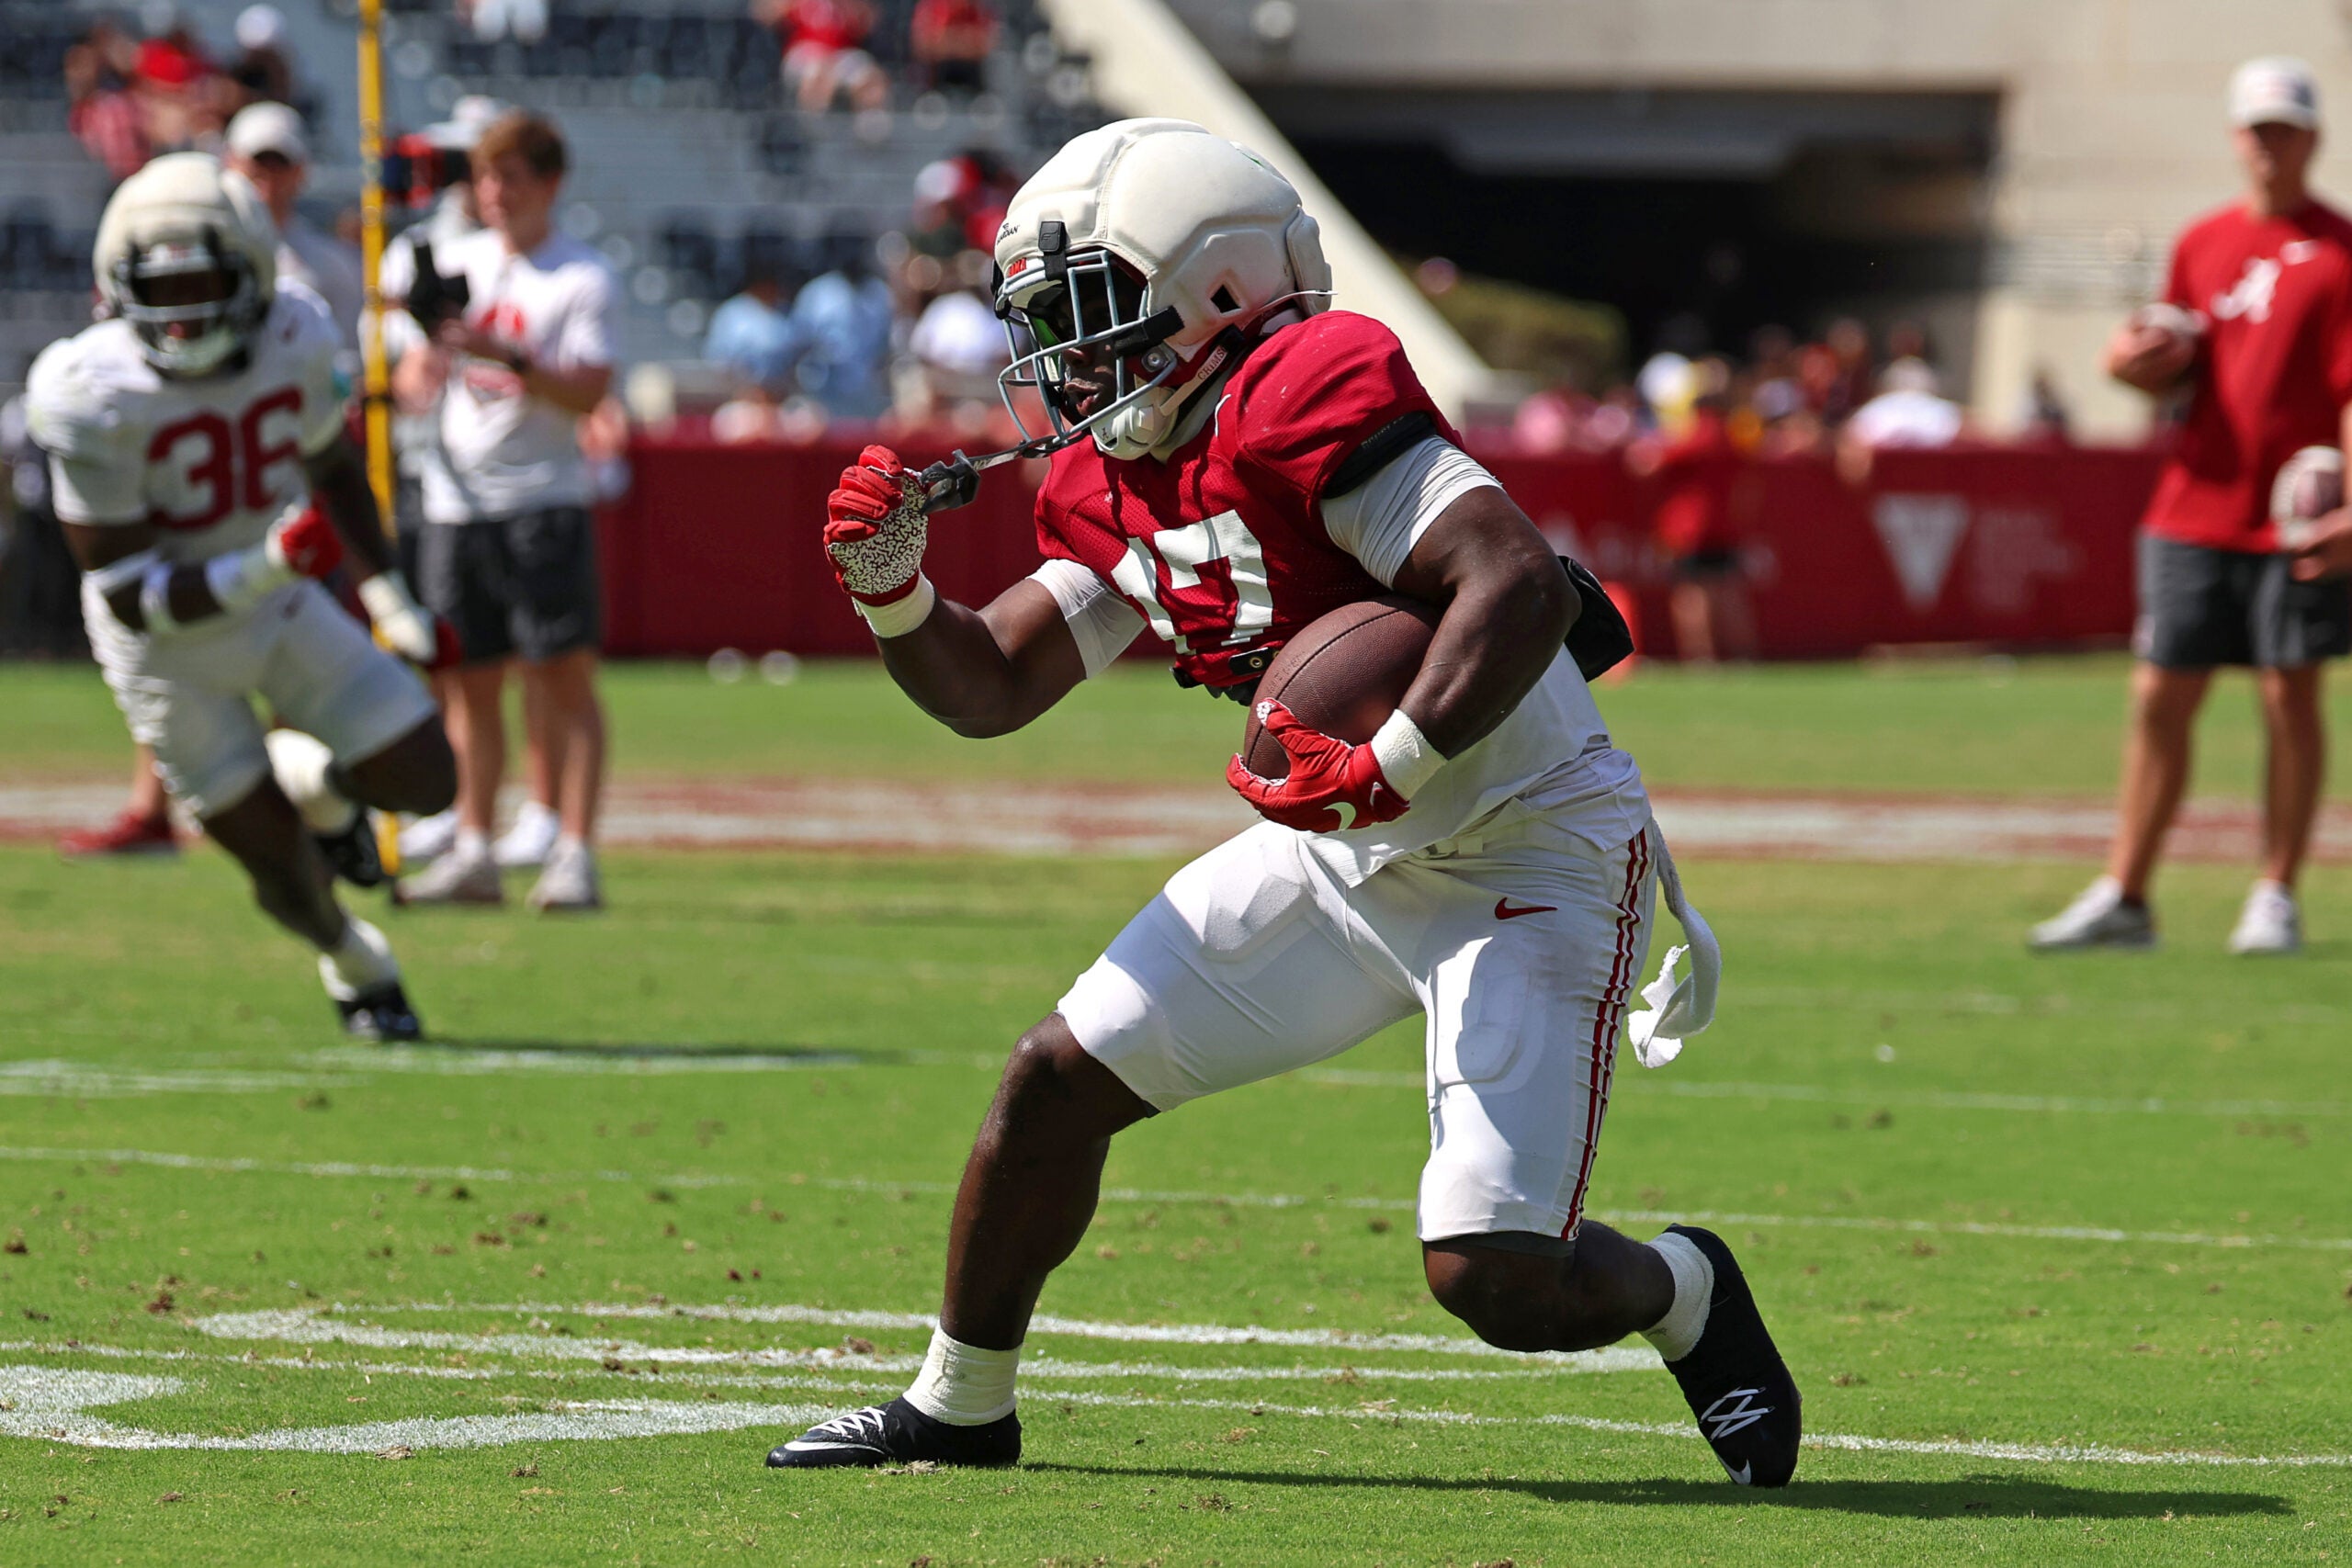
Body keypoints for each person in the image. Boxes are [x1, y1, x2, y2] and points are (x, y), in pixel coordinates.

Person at [763, 118, 1798, 1487]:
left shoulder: (1305, 385)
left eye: (1086, 314)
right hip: (1343, 843)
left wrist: (1392, 765)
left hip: (1523, 839)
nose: (1061, 359)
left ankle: (1683, 1293)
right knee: (1051, 1083)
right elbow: (994, 681)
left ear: (1221, 294)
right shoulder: (1109, 472)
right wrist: (897, 594)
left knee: (1490, 1270)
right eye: (1042, 325)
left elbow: (1514, 582)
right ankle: (959, 1404)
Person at [27, 153, 458, 1039]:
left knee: (427, 777)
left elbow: (334, 469)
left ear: (253, 275)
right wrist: (268, 560)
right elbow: (125, 597)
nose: (182, 315)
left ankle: (323, 785)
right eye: (164, 286)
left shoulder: (293, 334)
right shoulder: (87, 389)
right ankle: (355, 962)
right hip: (167, 649)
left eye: (204, 282)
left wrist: (393, 602)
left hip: (276, 605)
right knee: (275, 862)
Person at [2033, 57, 2352, 957]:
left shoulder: (2340, 251)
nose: (2269, 146)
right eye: (2257, 129)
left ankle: (2275, 893)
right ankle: (2126, 892)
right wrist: (2122, 363)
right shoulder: (2202, 241)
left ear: (2312, 139)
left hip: (2294, 508)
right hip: (2194, 504)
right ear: (2234, 138)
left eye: (2285, 129)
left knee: (2290, 697)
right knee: (2156, 697)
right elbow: (2168, 369)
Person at [389, 112, 619, 911]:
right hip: (458, 501)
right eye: (485, 177)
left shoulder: (579, 276)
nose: (493, 193)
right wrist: (419, 368)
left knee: (563, 680)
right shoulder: (460, 261)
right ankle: (474, 845)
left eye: (510, 177)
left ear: (548, 184)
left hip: (540, 499)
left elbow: (589, 390)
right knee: (467, 684)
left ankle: (575, 849)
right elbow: (422, 370)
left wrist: (507, 357)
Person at [224, 102, 366, 362]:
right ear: (230, 162)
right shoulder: (205, 252)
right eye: (257, 164)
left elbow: (347, 362)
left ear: (301, 171)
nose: (267, 179)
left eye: (279, 165)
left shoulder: (335, 264)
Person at [703, 263, 804, 393]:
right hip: (741, 392)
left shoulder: (785, 311)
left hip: (780, 393)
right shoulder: (733, 313)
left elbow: (796, 356)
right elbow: (720, 359)